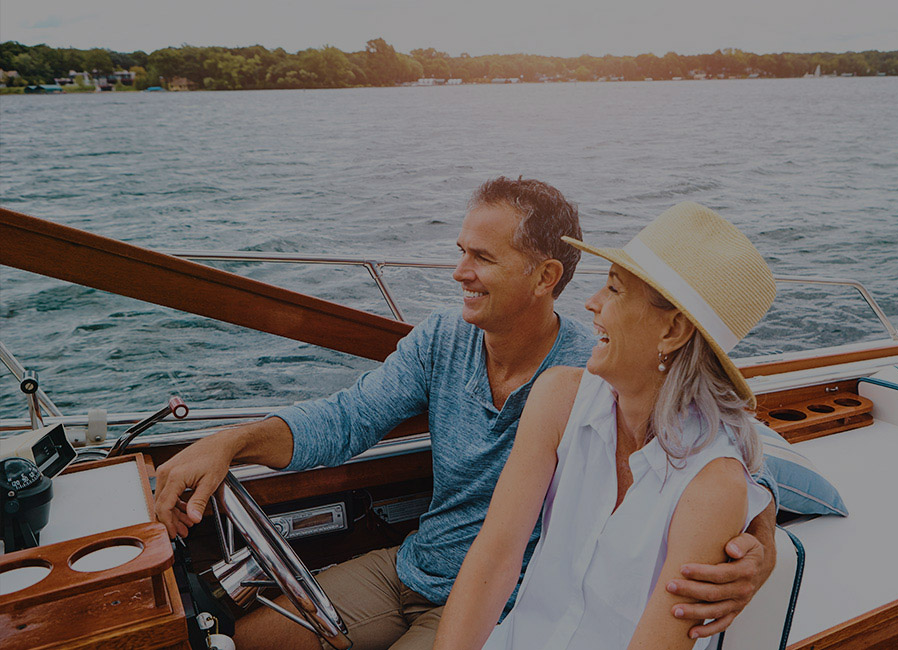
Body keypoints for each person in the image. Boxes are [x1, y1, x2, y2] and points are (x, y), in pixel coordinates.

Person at [153, 180, 777, 650]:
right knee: (229, 639)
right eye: (461, 251)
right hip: (411, 566)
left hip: (497, 610)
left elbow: (729, 446)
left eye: (481, 257)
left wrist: (759, 530)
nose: (459, 272)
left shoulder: (600, 368)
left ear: (545, 276)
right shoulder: (458, 346)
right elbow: (347, 418)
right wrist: (231, 442)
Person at [433, 201, 776, 650]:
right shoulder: (557, 398)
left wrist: (763, 529)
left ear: (672, 331)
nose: (591, 303)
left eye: (613, 289)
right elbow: (494, 560)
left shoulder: (714, 486)